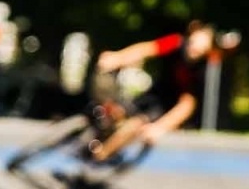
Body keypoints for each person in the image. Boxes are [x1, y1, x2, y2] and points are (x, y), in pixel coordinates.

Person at [88, 20, 219, 162]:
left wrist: (160, 127)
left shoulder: (202, 70)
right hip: (157, 91)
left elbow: (186, 104)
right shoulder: (176, 43)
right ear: (190, 36)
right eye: (194, 43)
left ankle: (101, 155)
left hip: (167, 106)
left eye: (201, 49)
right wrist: (118, 58)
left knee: (135, 125)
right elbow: (146, 49)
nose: (194, 50)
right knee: (119, 110)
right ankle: (97, 132)